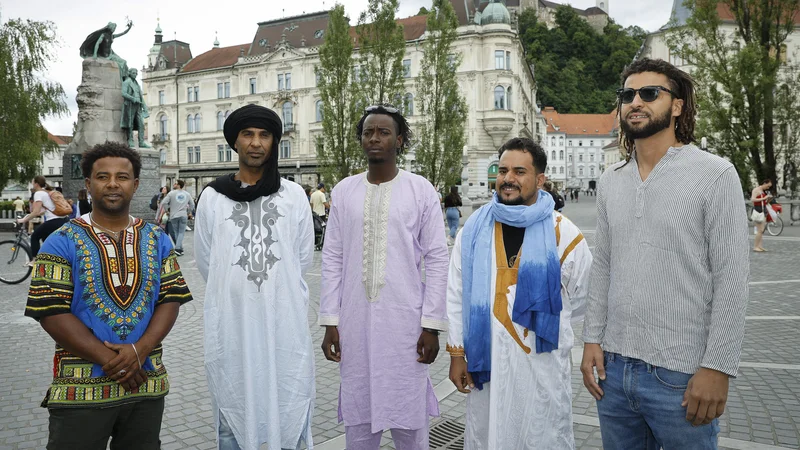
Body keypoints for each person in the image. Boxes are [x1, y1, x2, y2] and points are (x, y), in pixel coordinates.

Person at [580, 58, 750, 450]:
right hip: (614, 370)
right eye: (627, 95)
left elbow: (731, 278)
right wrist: (591, 339)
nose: (635, 102)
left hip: (681, 375)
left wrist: (717, 367)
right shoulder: (611, 180)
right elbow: (603, 265)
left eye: (649, 93)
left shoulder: (715, 174)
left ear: (676, 105)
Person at [24, 142, 192, 450]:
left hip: (146, 386)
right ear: (88, 184)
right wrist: (114, 361)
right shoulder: (60, 241)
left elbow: (170, 298)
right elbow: (49, 311)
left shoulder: (158, 239)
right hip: (80, 392)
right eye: (102, 176)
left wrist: (140, 350)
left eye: (122, 177)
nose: (113, 184)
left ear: (136, 184)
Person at [446, 137, 592, 449]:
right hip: (486, 367)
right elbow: (456, 294)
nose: (508, 179)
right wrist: (457, 353)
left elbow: (581, 299)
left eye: (519, 171)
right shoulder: (472, 231)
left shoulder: (564, 233)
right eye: (502, 170)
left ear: (540, 180)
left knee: (540, 435)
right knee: (488, 435)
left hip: (541, 367)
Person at [319, 105, 449, 450]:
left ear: (399, 140)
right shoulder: (344, 191)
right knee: (359, 417)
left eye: (383, 132)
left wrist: (432, 325)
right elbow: (332, 256)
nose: (374, 138)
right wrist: (330, 320)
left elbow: (437, 257)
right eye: (368, 132)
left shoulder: (420, 190)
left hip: (405, 322)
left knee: (410, 418)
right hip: (354, 321)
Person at [194, 104, 315, 450]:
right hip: (232, 326)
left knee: (288, 403)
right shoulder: (212, 198)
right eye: (248, 134)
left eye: (264, 135)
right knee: (233, 413)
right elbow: (207, 261)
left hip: (284, 326)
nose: (256, 143)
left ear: (274, 142)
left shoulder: (293, 196)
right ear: (235, 142)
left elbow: (302, 258)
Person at [16, 176, 70, 262]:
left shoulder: (38, 193)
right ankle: (51, 259)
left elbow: (36, 212)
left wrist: (23, 220)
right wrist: (27, 217)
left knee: (34, 237)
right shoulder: (47, 192)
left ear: (36, 184)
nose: (32, 184)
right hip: (64, 220)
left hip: (54, 221)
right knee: (46, 238)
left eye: (33, 183)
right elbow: (42, 211)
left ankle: (34, 261)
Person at [159, 180, 194, 256]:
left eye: (175, 183)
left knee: (176, 232)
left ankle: (178, 248)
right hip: (183, 215)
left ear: (179, 185)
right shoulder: (187, 194)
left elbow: (163, 202)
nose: (174, 184)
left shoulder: (171, 193)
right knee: (181, 232)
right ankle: (179, 249)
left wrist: (167, 210)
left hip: (173, 215)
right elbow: (192, 204)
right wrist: (188, 212)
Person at [121, 68, 150, 148]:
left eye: (136, 73)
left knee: (141, 123)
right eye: (133, 73)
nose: (135, 74)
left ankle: (141, 142)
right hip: (130, 105)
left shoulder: (137, 84)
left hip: (138, 106)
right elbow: (123, 93)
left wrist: (145, 107)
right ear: (129, 73)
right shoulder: (126, 82)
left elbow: (141, 97)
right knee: (130, 123)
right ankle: (130, 140)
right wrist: (133, 99)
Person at [751, 179, 773, 252]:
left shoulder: (762, 191)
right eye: (768, 186)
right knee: (759, 230)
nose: (768, 188)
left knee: (761, 230)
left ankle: (760, 246)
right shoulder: (756, 190)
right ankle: (756, 246)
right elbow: (753, 199)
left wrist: (768, 200)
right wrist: (764, 198)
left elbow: (763, 202)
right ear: (764, 183)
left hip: (763, 210)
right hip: (758, 210)